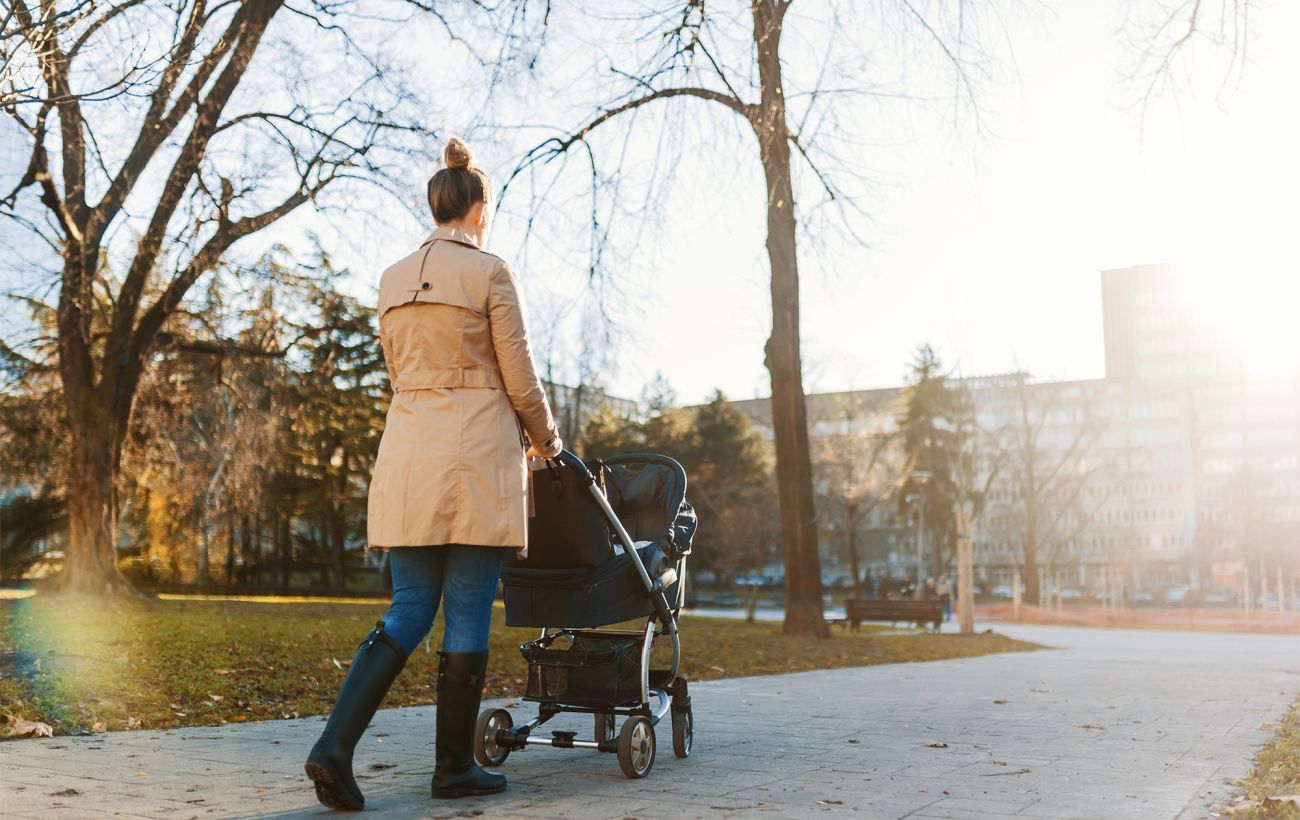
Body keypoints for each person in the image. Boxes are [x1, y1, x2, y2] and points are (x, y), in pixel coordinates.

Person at [304, 137, 563, 810]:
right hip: (474, 453)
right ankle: (453, 770)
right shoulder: (490, 272)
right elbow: (520, 376)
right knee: (468, 606)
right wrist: (548, 442)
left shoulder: (392, 279)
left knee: (409, 607)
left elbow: (401, 373)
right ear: (479, 208)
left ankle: (334, 746)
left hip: (410, 449)